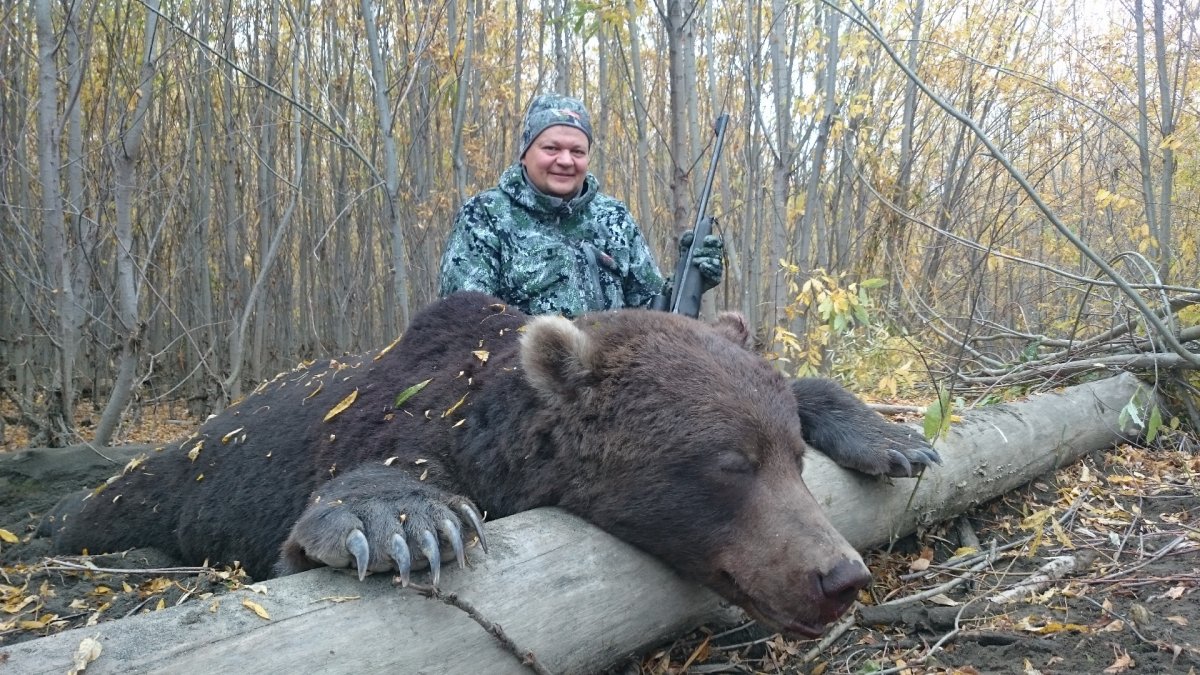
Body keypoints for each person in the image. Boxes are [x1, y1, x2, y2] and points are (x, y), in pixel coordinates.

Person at [439, 93, 723, 318]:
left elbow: (650, 313)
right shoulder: (485, 215)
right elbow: (468, 321)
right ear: (525, 154)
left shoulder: (615, 218)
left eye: (577, 151)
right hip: (522, 382)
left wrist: (690, 278)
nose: (565, 160)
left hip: (614, 382)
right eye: (551, 148)